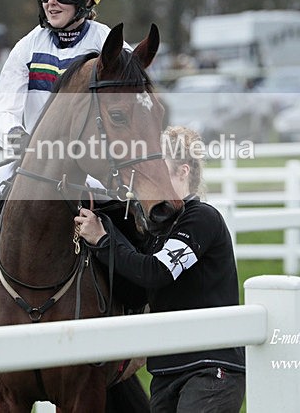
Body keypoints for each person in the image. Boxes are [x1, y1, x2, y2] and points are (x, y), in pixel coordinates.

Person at [0, 0, 126, 259]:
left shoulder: (111, 45)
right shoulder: (26, 48)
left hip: (94, 162)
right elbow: (2, 114)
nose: (51, 1)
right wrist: (15, 135)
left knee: (126, 208)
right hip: (34, 160)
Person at [75, 126, 246, 413]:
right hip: (166, 371)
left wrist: (103, 239)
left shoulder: (202, 218)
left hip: (210, 369)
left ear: (183, 172)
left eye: (157, 169)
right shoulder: (157, 230)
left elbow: (156, 272)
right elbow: (135, 281)